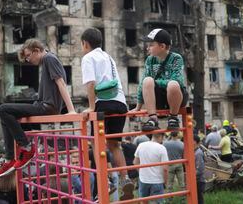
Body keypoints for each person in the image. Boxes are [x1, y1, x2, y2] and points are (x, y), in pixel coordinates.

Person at [0, 38, 76, 178]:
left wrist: (71, 110)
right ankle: (9, 159)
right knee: (6, 115)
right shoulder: (47, 60)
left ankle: (26, 148)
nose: (28, 60)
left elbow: (61, 83)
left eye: (28, 56)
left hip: (46, 107)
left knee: (3, 109)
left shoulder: (49, 59)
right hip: (42, 104)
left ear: (37, 51)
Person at [80, 28, 134, 197]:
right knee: (114, 144)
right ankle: (125, 179)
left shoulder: (88, 57)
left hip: (103, 105)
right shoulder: (108, 57)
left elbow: (90, 83)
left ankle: (108, 179)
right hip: (120, 103)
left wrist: (91, 107)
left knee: (96, 143)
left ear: (85, 44)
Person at [134, 28, 187, 131]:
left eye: (151, 45)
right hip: (159, 97)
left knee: (173, 84)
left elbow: (177, 80)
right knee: (147, 81)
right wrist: (138, 106)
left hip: (176, 97)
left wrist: (156, 82)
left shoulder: (176, 58)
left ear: (162, 46)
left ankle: (173, 117)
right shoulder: (150, 60)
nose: (147, 48)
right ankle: (153, 118)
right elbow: (143, 83)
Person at [134, 131, 169, 203]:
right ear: (161, 137)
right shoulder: (162, 148)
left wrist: (141, 172)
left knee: (143, 201)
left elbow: (135, 162)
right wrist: (165, 182)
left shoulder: (141, 145)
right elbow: (165, 168)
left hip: (143, 179)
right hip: (157, 180)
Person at [163, 132, 185, 202]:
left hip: (170, 164)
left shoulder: (165, 143)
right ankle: (183, 199)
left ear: (170, 135)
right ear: (177, 135)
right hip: (179, 164)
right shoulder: (182, 144)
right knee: (181, 183)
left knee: (169, 183)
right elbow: (183, 154)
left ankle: (169, 199)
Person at [194, 135, 205, 204]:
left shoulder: (198, 153)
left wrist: (192, 175)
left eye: (193, 141)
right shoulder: (194, 151)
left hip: (198, 180)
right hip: (196, 179)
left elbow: (200, 169)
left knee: (199, 199)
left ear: (197, 143)